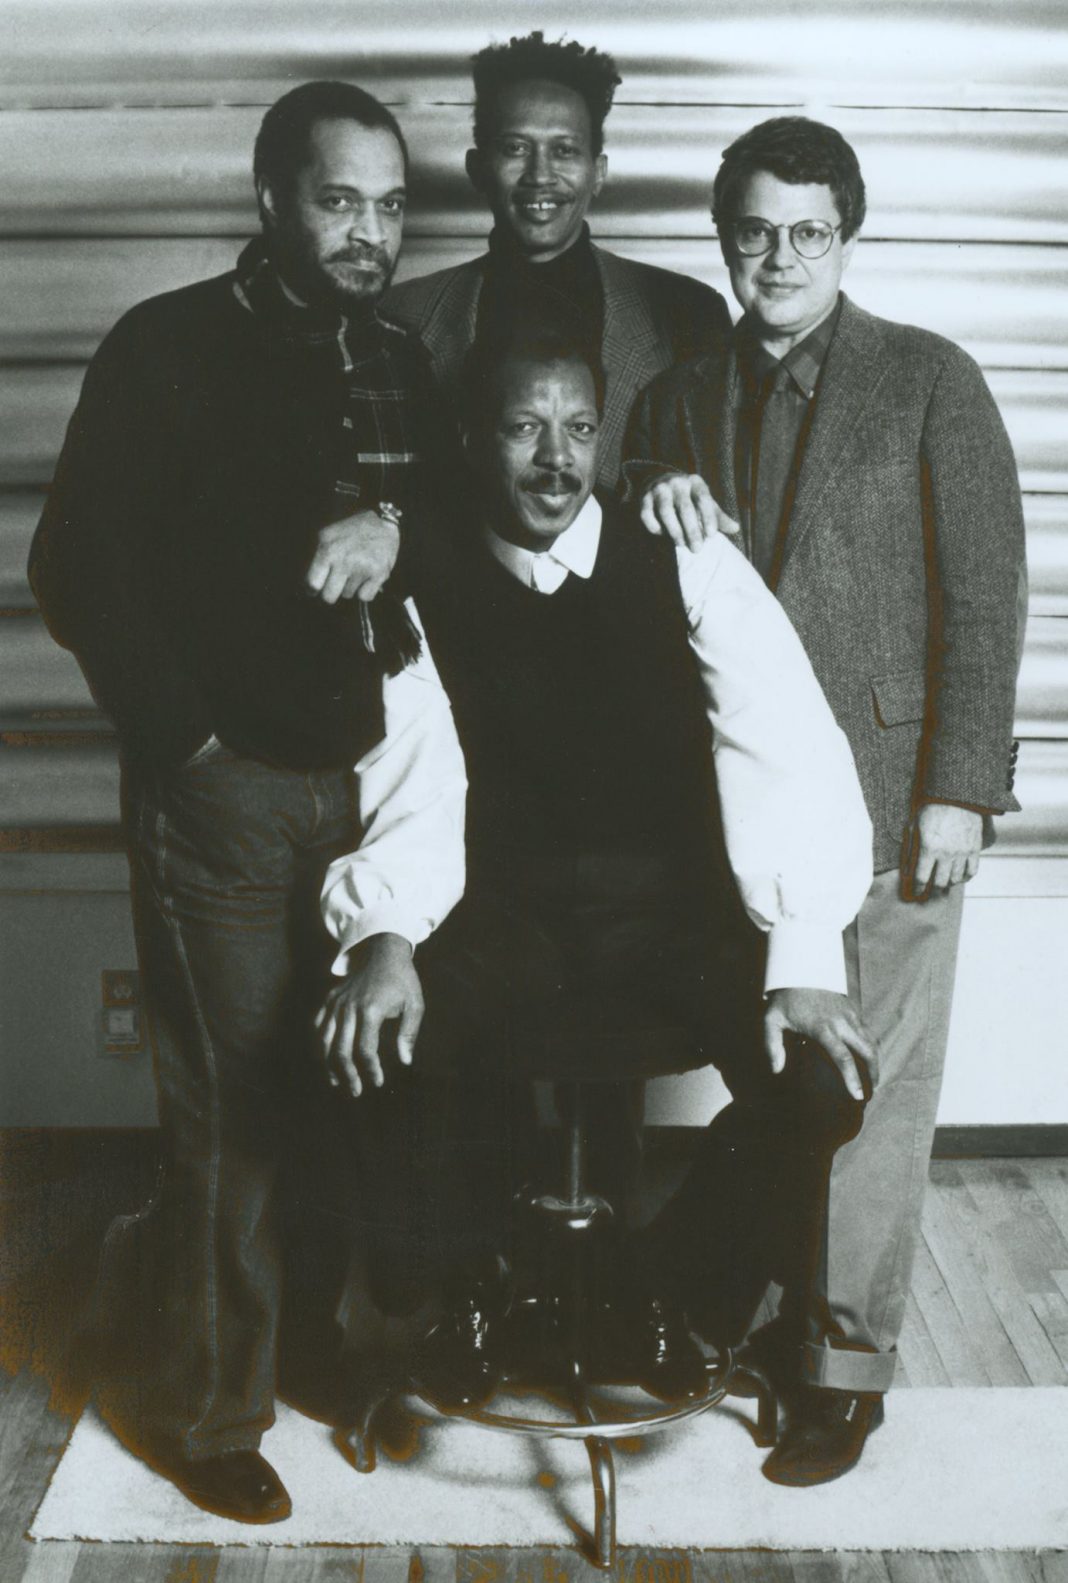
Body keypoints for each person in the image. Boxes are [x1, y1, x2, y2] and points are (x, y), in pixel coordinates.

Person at [28, 79, 466, 1524]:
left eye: (390, 206)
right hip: (222, 785)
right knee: (230, 1107)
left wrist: (396, 521)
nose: (369, 232)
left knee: (335, 1081)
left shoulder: (397, 356)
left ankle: (317, 1347)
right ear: (271, 198)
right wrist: (192, 742)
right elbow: (72, 565)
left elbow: (454, 532)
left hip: (372, 781)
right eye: (340, 202)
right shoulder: (166, 346)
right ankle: (211, 1410)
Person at [316, 329, 878, 1418]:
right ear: (472, 440)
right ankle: (468, 1285)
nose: (556, 459)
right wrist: (384, 937)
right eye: (525, 428)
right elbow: (412, 774)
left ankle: (660, 1290)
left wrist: (804, 955)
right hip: (503, 914)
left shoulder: (682, 553)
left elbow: (782, 742)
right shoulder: (420, 573)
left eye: (578, 429)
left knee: (819, 1081)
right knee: (380, 1040)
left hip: (669, 912)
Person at [624, 115, 1026, 1484]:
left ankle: (841, 1372)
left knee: (875, 1098)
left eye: (809, 232)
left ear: (848, 239)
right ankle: (741, 1310)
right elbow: (627, 555)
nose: (780, 256)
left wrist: (960, 789)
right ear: (723, 237)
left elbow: (986, 596)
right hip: (738, 820)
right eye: (756, 230)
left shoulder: (931, 379)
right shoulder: (674, 398)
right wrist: (647, 485)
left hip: (895, 801)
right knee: (787, 1088)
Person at [383, 30, 733, 489]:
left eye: (564, 150)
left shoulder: (689, 314)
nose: (540, 175)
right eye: (515, 148)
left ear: (598, 173)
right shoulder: (400, 316)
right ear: (477, 169)